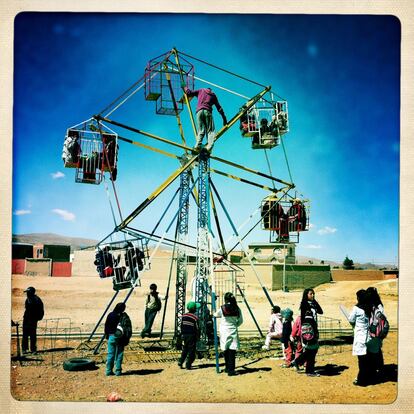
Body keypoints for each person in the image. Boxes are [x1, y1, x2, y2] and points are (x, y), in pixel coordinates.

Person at [291, 288, 323, 377]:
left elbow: (321, 311)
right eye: (310, 294)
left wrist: (315, 302)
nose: (312, 295)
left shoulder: (313, 304)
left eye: (313, 294)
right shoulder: (304, 304)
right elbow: (304, 319)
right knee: (312, 349)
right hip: (308, 330)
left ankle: (297, 362)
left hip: (314, 328)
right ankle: (309, 370)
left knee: (312, 349)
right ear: (306, 295)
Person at [184, 86, 227, 151]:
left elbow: (189, 93)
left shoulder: (201, 90)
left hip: (199, 112)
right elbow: (219, 108)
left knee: (201, 130)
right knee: (210, 130)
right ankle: (209, 146)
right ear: (211, 90)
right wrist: (224, 118)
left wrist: (184, 87)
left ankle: (197, 145)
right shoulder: (213, 95)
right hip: (207, 111)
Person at [348, 289, 376, 386]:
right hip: (368, 337)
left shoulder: (356, 308)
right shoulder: (370, 307)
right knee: (367, 359)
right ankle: (368, 377)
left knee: (362, 361)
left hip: (360, 337)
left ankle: (362, 380)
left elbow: (351, 319)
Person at [214, 292, 243, 376]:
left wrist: (214, 313)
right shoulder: (237, 308)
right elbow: (240, 321)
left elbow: (216, 314)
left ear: (225, 299)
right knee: (232, 350)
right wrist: (234, 325)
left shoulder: (222, 308)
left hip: (224, 330)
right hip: (233, 329)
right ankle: (231, 370)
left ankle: (227, 367)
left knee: (225, 349)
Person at [104, 302, 132, 376]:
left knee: (110, 354)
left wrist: (107, 335)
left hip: (111, 337)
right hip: (120, 337)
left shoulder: (110, 315)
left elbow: (106, 326)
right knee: (119, 354)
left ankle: (108, 371)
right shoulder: (123, 316)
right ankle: (118, 371)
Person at [366, 286, 386, 380]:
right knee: (375, 350)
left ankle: (379, 369)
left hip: (377, 331)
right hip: (374, 331)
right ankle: (375, 368)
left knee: (375, 351)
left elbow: (380, 318)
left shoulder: (378, 306)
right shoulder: (371, 304)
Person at [178, 301, 200, 370]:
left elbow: (181, 325)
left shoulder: (184, 316)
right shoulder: (195, 317)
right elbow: (197, 328)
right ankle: (188, 364)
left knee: (185, 349)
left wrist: (181, 334)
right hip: (191, 335)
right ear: (194, 309)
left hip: (184, 335)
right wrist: (198, 336)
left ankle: (181, 361)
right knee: (191, 351)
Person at [22, 287, 44, 354]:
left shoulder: (37, 300)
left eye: (28, 292)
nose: (27, 294)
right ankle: (24, 349)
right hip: (26, 319)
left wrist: (38, 318)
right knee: (25, 335)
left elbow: (41, 310)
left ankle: (33, 349)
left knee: (32, 335)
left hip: (33, 320)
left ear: (31, 292)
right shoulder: (28, 299)